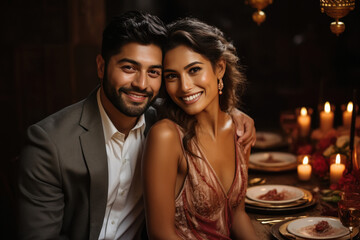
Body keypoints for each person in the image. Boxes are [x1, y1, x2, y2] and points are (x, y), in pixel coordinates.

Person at [17, 11, 255, 240]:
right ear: (101, 67)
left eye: (154, 72)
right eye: (129, 68)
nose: (141, 84)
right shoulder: (50, 143)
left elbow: (195, 102)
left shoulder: (159, 120)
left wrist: (234, 113)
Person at [142, 18, 258, 240]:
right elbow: (160, 234)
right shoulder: (166, 136)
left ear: (220, 68)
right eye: (172, 76)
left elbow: (237, 214)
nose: (184, 86)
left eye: (194, 70)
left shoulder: (240, 130)